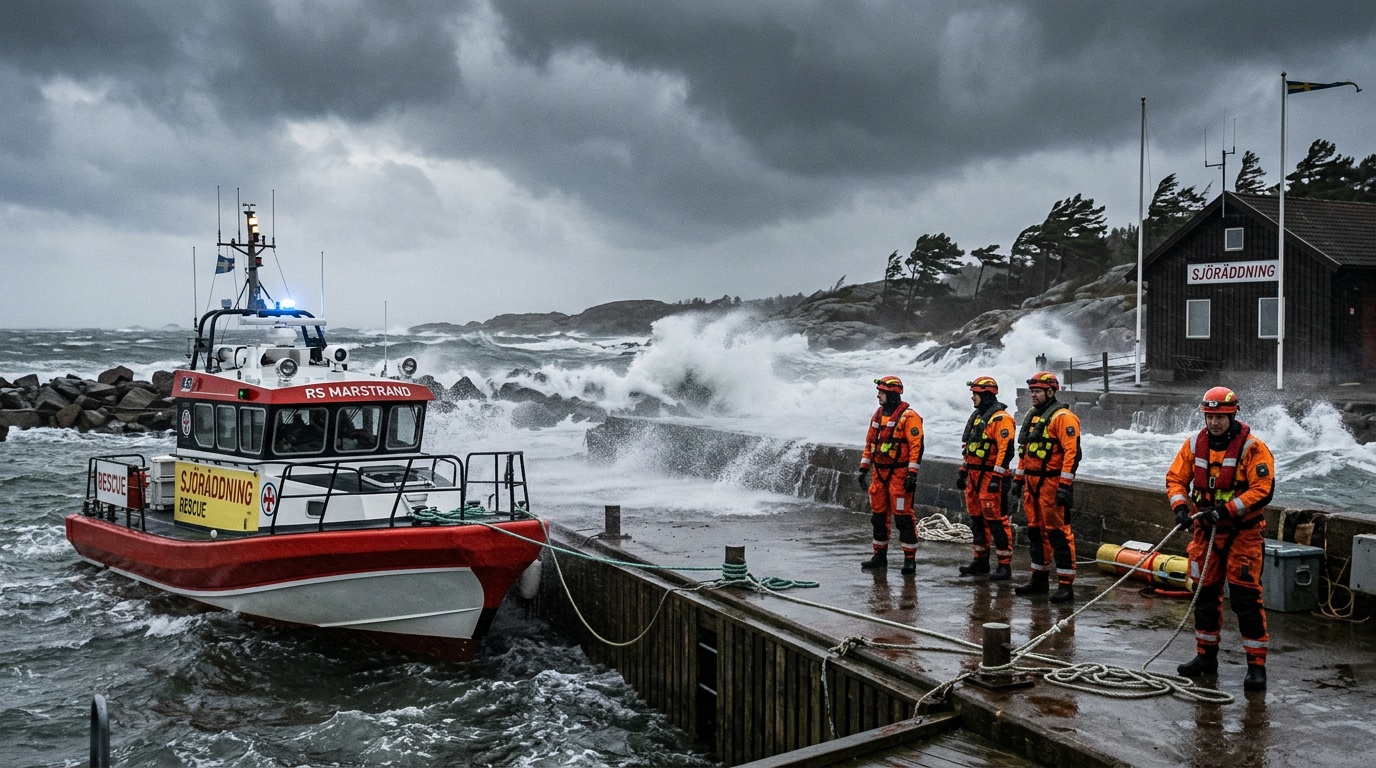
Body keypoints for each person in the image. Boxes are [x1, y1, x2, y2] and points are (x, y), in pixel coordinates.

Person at [1167, 386, 1275, 693]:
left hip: (1244, 534)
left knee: (1244, 599)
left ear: (1233, 415)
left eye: (1220, 417)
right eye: (1210, 416)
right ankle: (1205, 657)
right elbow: (1176, 478)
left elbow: (1263, 489)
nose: (1214, 423)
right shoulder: (1193, 445)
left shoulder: (1253, 449)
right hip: (1205, 534)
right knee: (1204, 594)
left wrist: (1226, 510)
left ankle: (1256, 666)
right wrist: (1180, 507)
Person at [1011, 371, 1081, 604]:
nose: (1033, 395)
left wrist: (1065, 486)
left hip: (1051, 483)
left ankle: (1065, 585)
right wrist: (1018, 479)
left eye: (1037, 392)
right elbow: (1026, 451)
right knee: (1035, 532)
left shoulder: (1063, 417)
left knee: (1058, 534)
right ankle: (1038, 579)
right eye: (1032, 392)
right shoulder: (1033, 416)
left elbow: (1072, 454)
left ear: (1051, 392)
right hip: (1032, 484)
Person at [858, 375, 925, 575]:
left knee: (903, 518)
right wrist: (863, 469)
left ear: (892, 394)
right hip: (879, 473)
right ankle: (879, 556)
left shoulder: (909, 416)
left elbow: (916, 447)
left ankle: (909, 560)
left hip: (899, 475)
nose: (878, 395)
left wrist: (912, 474)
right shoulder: (878, 414)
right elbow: (870, 443)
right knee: (878, 517)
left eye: (882, 392)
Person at [957, 376, 1015, 581]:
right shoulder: (977, 417)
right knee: (977, 520)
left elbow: (1005, 451)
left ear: (986, 395)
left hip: (991, 476)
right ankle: (980, 561)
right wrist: (963, 470)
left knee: (996, 522)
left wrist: (996, 478)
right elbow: (970, 448)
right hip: (974, 476)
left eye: (975, 394)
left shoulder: (1001, 419)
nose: (972, 398)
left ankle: (1004, 565)